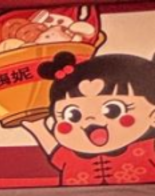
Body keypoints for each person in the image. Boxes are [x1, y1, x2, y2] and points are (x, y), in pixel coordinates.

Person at [22, 51, 155, 186]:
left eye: (113, 110)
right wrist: (37, 127)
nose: (90, 120)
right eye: (73, 115)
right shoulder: (70, 157)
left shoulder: (147, 149)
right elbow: (54, 151)